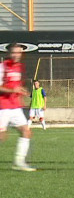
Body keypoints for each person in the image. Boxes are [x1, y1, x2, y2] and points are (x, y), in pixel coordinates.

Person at [0, 43, 36, 171]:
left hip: (15, 107)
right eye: (14, 52)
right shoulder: (2, 67)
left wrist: (21, 91)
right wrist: (12, 90)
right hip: (2, 107)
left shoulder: (20, 67)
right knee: (2, 136)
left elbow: (15, 85)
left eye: (19, 52)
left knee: (26, 132)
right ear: (9, 53)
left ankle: (19, 162)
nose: (16, 55)